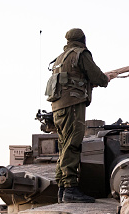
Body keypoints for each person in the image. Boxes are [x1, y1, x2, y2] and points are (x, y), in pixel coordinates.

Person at [47, 28, 109, 203]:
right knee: (72, 144)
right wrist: (104, 79)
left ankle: (62, 187)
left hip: (57, 107)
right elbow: (97, 76)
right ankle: (70, 188)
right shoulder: (80, 54)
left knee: (64, 144)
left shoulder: (60, 58)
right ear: (83, 40)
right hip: (72, 104)